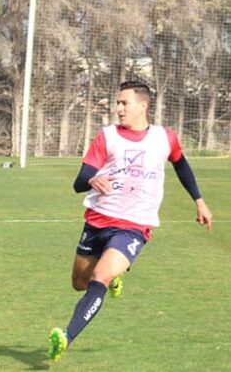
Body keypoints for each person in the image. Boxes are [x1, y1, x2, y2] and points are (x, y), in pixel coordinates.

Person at [48, 80, 213, 361]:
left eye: (124, 103)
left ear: (143, 106)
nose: (119, 108)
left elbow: (181, 164)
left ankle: (66, 337)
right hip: (97, 221)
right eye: (118, 103)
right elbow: (79, 182)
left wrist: (199, 200)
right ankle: (114, 280)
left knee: (100, 276)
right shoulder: (107, 137)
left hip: (134, 226)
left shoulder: (165, 138)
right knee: (79, 282)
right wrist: (92, 178)